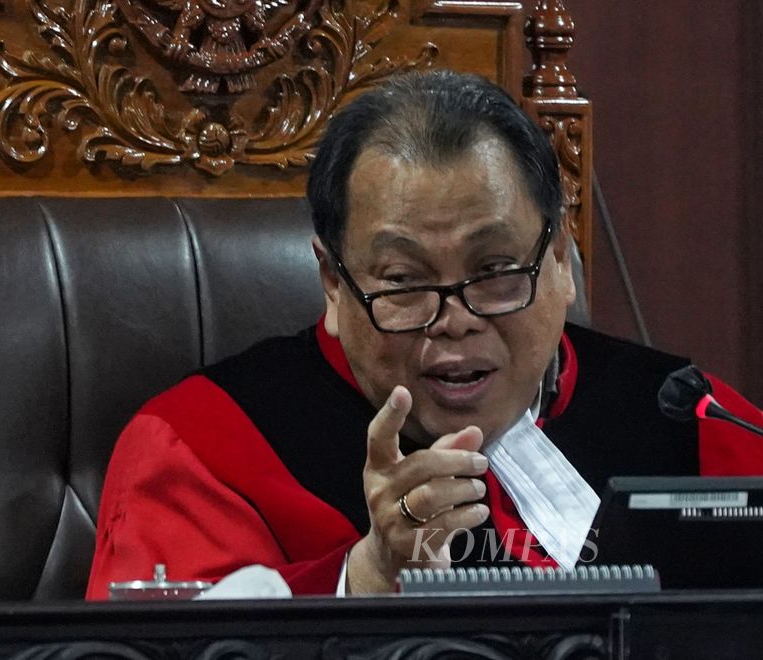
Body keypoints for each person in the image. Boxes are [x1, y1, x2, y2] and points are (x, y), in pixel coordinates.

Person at [86, 70, 763, 598]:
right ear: (332, 280)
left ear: (558, 258)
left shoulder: (684, 415)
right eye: (405, 280)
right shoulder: (205, 447)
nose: (456, 318)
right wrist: (368, 578)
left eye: (495, 270)